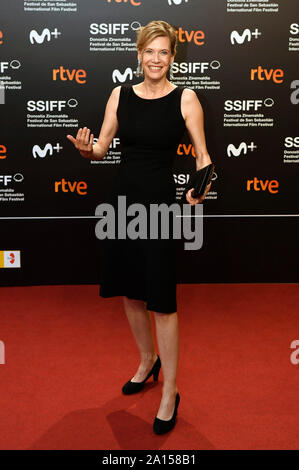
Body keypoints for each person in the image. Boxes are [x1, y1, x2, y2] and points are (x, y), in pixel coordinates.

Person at [67, 20, 212, 435]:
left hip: (162, 210)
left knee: (162, 301)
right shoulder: (120, 95)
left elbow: (203, 156)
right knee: (130, 293)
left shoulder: (186, 99)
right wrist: (87, 150)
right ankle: (148, 361)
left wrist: (201, 186)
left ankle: (170, 391)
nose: (156, 59)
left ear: (172, 57)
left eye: (164, 52)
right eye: (150, 51)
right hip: (122, 206)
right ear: (138, 54)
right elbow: (101, 148)